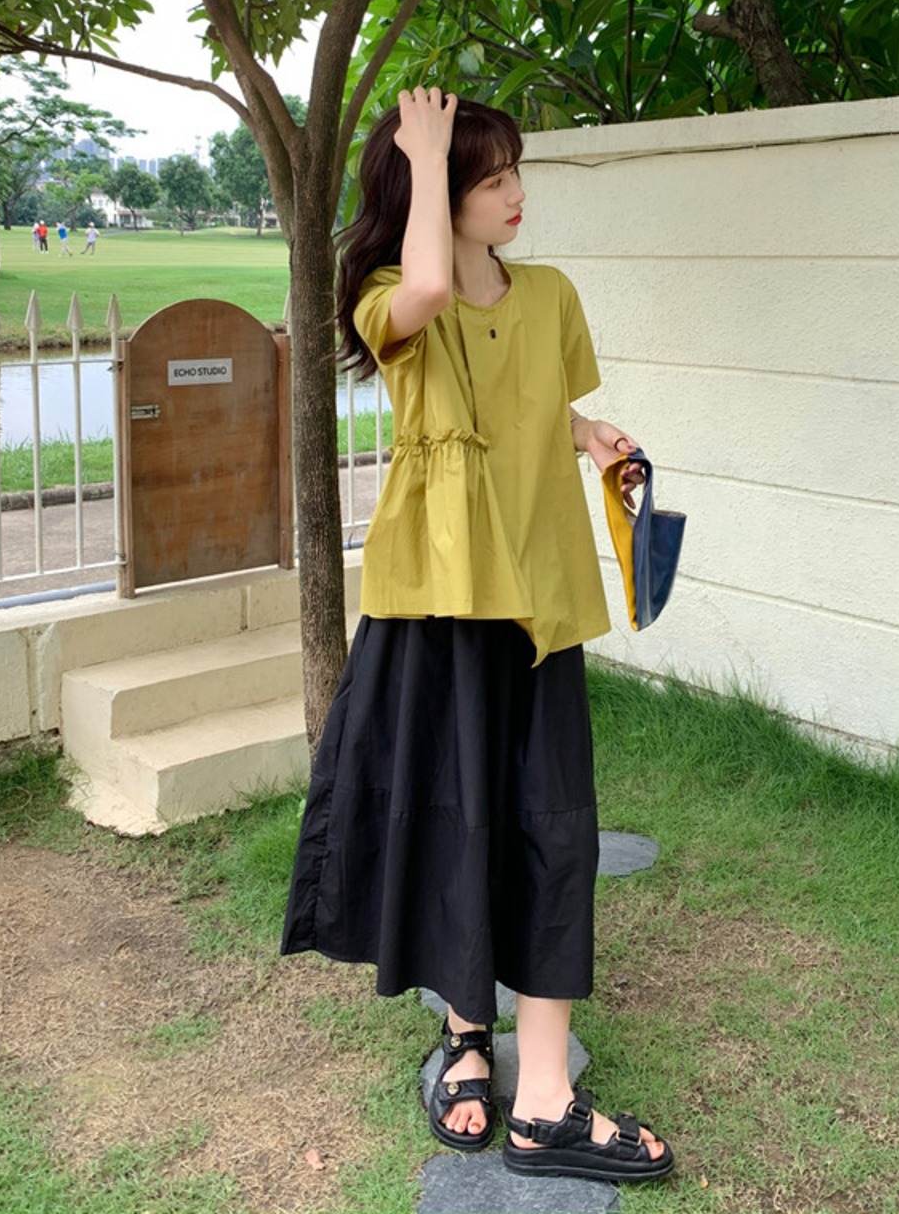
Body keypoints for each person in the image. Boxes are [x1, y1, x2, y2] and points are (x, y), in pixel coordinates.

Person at [281, 88, 673, 1185]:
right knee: (460, 820)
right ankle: (466, 1035)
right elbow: (426, 292)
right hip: (439, 600)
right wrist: (418, 149)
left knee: (554, 828)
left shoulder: (550, 295)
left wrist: (586, 433)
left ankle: (541, 1096)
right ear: (434, 194)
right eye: (490, 178)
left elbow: (527, 400)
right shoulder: (390, 295)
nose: (515, 194)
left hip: (539, 598)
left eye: (513, 174)